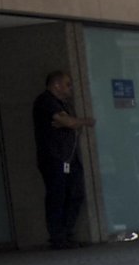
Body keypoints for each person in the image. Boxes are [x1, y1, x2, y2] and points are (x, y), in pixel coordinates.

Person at [31, 71, 93, 249]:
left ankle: (67, 232)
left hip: (69, 157)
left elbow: (69, 122)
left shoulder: (63, 104)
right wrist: (81, 121)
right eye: (67, 84)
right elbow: (69, 123)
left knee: (76, 193)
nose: (70, 88)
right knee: (57, 196)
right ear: (56, 85)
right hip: (54, 158)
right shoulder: (45, 101)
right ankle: (57, 237)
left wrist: (71, 121)